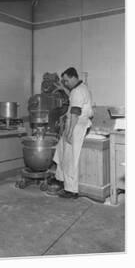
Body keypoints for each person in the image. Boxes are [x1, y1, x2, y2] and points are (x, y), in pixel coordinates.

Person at [52, 67, 94, 199]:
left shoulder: (77, 92)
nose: (65, 83)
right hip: (76, 124)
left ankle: (71, 190)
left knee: (70, 158)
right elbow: (72, 96)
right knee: (60, 150)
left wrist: (69, 132)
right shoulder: (81, 88)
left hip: (76, 126)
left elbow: (75, 114)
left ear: (72, 77)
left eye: (65, 81)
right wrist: (62, 88)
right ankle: (60, 179)